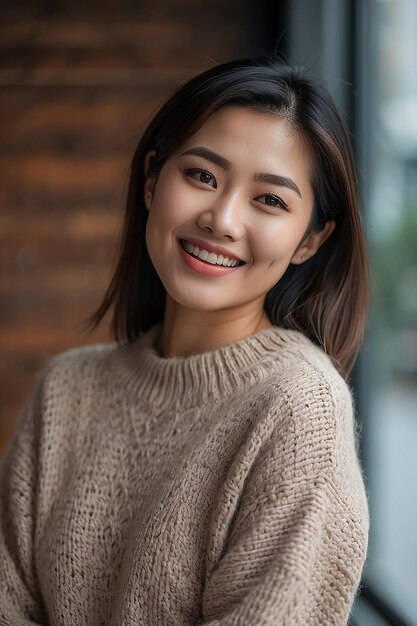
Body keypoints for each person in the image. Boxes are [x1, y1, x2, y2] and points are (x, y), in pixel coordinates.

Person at [0, 56, 370, 625]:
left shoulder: (299, 409)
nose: (222, 219)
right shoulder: (67, 389)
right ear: (152, 180)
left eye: (270, 200)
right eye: (201, 175)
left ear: (309, 241)